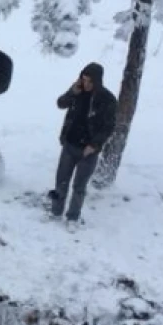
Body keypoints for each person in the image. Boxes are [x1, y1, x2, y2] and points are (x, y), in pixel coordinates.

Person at [48, 62, 117, 224]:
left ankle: (73, 217)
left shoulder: (107, 99)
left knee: (79, 186)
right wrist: (72, 92)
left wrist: (94, 145)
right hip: (70, 144)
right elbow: (60, 104)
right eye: (83, 79)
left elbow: (109, 127)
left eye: (89, 81)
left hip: (88, 150)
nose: (85, 84)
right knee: (61, 181)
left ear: (97, 81)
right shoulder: (76, 91)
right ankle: (55, 212)